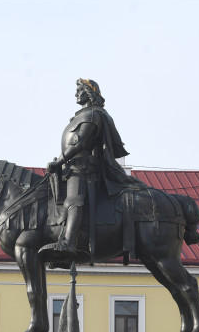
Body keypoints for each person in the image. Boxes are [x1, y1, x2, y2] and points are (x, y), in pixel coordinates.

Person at [43, 79, 145, 257]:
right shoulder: (82, 116)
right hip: (71, 168)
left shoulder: (91, 115)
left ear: (89, 93)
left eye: (80, 90)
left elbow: (80, 143)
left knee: (74, 200)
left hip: (83, 169)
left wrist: (59, 162)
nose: (76, 94)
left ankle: (69, 242)